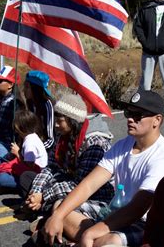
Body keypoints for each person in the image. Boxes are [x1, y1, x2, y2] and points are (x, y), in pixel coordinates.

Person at [41, 90, 164, 247]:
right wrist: (58, 216)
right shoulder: (123, 146)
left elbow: (138, 207)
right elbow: (89, 185)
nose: (130, 119)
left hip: (142, 222)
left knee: (109, 242)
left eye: (137, 115)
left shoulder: (163, 156)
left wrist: (92, 231)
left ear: (157, 120)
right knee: (61, 206)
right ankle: (85, 244)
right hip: (113, 211)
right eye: (128, 113)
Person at [23, 94, 114, 229]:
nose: (56, 125)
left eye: (60, 120)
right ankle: (40, 207)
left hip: (95, 195)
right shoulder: (64, 136)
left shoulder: (95, 144)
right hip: (69, 181)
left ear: (73, 121)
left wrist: (43, 195)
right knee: (26, 178)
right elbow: (51, 167)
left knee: (60, 204)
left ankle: (48, 216)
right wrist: (36, 190)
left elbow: (81, 185)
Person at [0, 110, 48, 197]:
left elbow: (30, 165)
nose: (15, 128)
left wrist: (17, 153)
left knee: (1, 179)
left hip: (31, 176)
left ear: (22, 126)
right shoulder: (28, 137)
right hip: (22, 168)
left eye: (16, 125)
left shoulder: (30, 143)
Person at [23, 70, 55, 151]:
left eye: (27, 87)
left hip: (45, 149)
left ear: (35, 89)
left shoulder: (48, 105)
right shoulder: (30, 102)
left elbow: (51, 140)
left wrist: (35, 149)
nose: (23, 90)